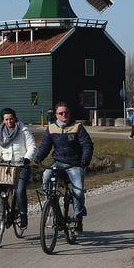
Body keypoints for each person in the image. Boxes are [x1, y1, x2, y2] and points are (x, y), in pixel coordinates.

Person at [34, 101, 93, 236]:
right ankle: (51, 204)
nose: (64, 115)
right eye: (61, 113)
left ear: (69, 113)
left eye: (66, 112)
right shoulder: (51, 128)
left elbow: (87, 145)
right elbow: (45, 146)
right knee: (46, 175)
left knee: (78, 190)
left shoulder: (77, 127)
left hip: (74, 164)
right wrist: (39, 158)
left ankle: (78, 219)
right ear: (56, 115)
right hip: (58, 162)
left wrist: (85, 160)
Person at [0, 107, 37, 228]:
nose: (9, 122)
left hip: (21, 165)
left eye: (11, 119)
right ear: (3, 121)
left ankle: (23, 214)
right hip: (7, 166)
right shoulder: (0, 133)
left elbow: (32, 147)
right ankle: (5, 210)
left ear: (15, 118)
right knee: (0, 189)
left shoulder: (24, 131)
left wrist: (27, 158)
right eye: (6, 119)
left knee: (19, 190)